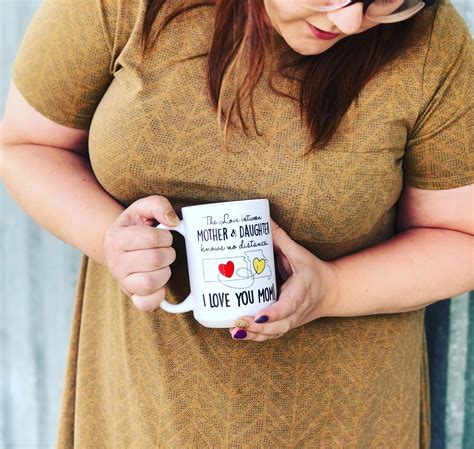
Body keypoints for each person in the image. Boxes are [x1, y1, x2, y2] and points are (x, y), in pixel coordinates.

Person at [1, 0, 472, 446]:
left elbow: (460, 236)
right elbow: (28, 145)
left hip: (339, 422)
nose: (349, 24)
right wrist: (111, 239)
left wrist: (330, 289)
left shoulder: (431, 44)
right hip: (137, 410)